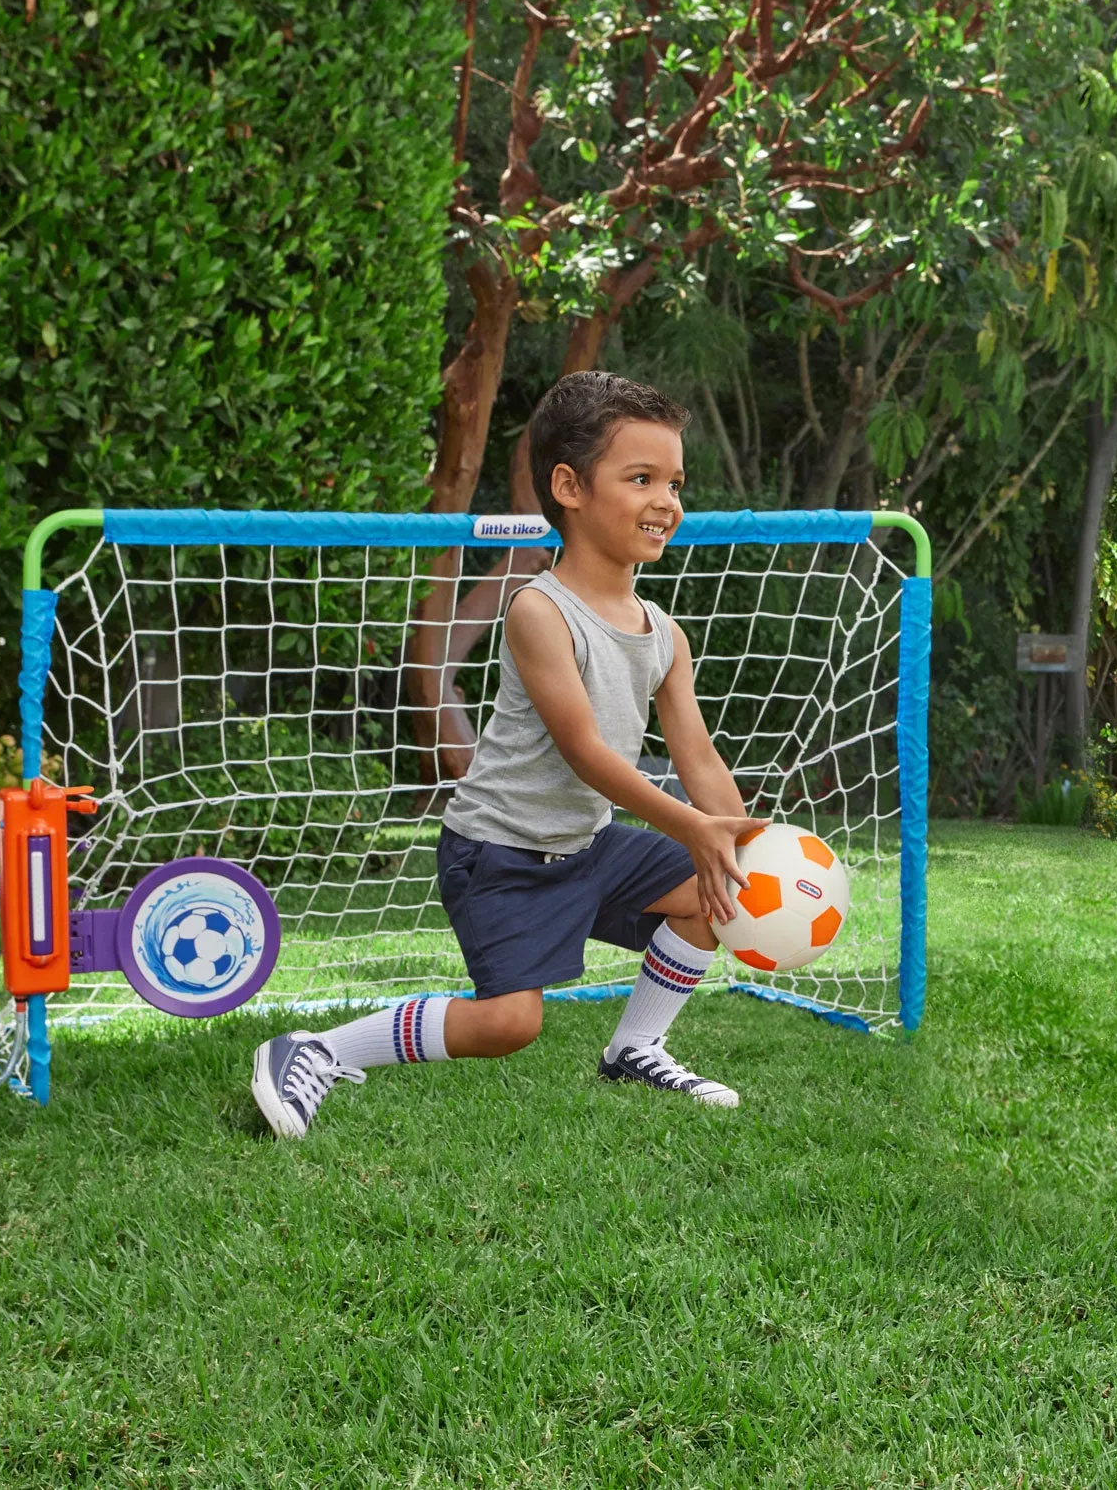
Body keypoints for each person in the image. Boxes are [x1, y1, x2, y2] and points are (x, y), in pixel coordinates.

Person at [251, 371, 760, 1138]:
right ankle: (315, 1048)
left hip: (584, 846)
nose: (668, 501)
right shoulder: (537, 610)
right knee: (509, 1024)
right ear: (569, 487)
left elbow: (696, 753)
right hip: (501, 853)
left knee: (712, 893)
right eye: (642, 478)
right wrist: (693, 826)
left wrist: (742, 843)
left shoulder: (664, 633)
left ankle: (635, 1047)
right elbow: (585, 751)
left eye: (676, 483)